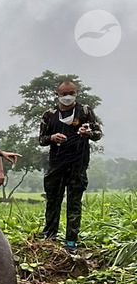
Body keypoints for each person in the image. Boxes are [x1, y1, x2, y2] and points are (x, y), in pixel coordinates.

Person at [39, 81, 103, 252]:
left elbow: (98, 134)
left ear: (76, 93)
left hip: (78, 164)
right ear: (58, 95)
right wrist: (52, 138)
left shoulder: (84, 111)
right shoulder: (49, 115)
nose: (68, 97)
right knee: (53, 202)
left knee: (74, 203)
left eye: (71, 93)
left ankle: (71, 242)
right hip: (56, 164)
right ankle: (49, 240)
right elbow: (41, 139)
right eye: (64, 93)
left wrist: (88, 133)